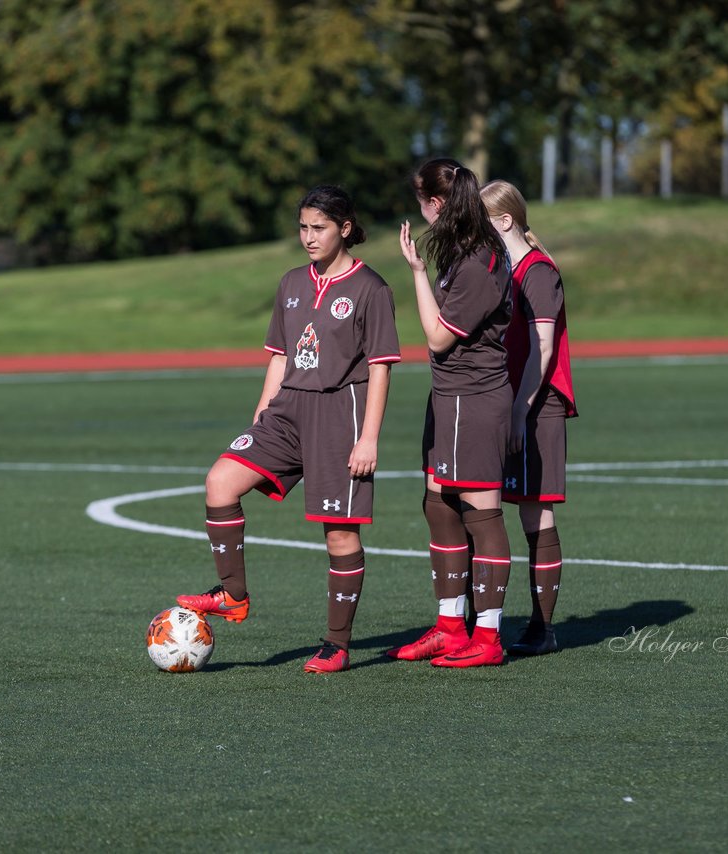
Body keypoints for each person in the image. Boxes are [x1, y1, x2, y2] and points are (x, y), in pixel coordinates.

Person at [176, 186, 401, 672]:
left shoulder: (372, 289)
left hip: (342, 416)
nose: (308, 237)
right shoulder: (292, 282)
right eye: (302, 227)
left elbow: (381, 368)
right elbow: (279, 356)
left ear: (344, 229)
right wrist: (261, 414)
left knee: (339, 536)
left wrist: (369, 438)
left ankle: (336, 643)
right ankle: (233, 594)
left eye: (318, 228)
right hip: (285, 411)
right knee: (220, 481)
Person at [387, 157, 514, 668]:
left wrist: (416, 272)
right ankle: (448, 624)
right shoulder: (463, 249)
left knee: (481, 513)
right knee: (438, 502)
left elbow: (438, 336)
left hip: (476, 400)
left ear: (435, 203)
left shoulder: (482, 256)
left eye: (421, 203)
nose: (419, 212)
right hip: (448, 398)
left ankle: (487, 637)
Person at [481, 179, 578, 655]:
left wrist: (520, 411)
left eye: (482, 223)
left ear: (504, 221)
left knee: (535, 511)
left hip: (537, 404)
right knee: (488, 506)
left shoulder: (538, 271)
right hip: (505, 402)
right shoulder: (498, 269)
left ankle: (543, 628)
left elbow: (541, 348)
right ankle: (480, 626)